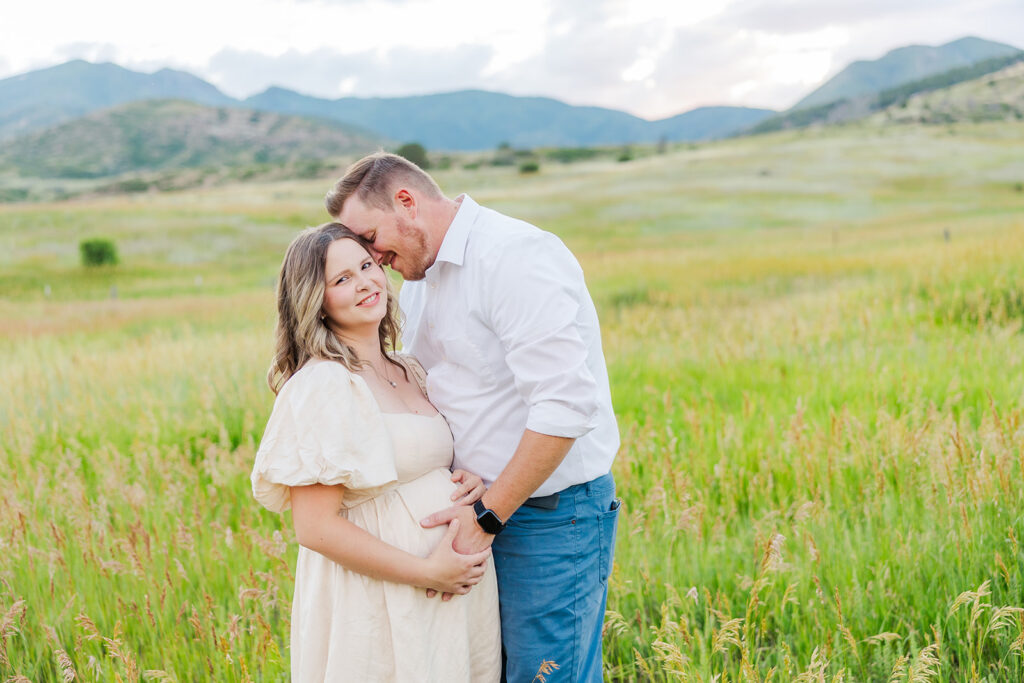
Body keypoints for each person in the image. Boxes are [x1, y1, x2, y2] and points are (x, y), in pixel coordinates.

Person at [324, 153, 620, 682]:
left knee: (545, 676)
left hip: (549, 517)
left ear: (407, 202)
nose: (372, 257)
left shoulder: (514, 256)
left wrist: (488, 515)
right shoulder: (417, 281)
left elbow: (566, 406)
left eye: (370, 237)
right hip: (474, 516)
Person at [250, 222, 501, 682]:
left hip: (447, 594)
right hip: (383, 597)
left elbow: (421, 463)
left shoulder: (408, 368)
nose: (365, 282)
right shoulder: (325, 384)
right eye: (341, 279)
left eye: (367, 266)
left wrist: (463, 480)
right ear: (315, 300)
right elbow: (315, 528)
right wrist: (428, 571)